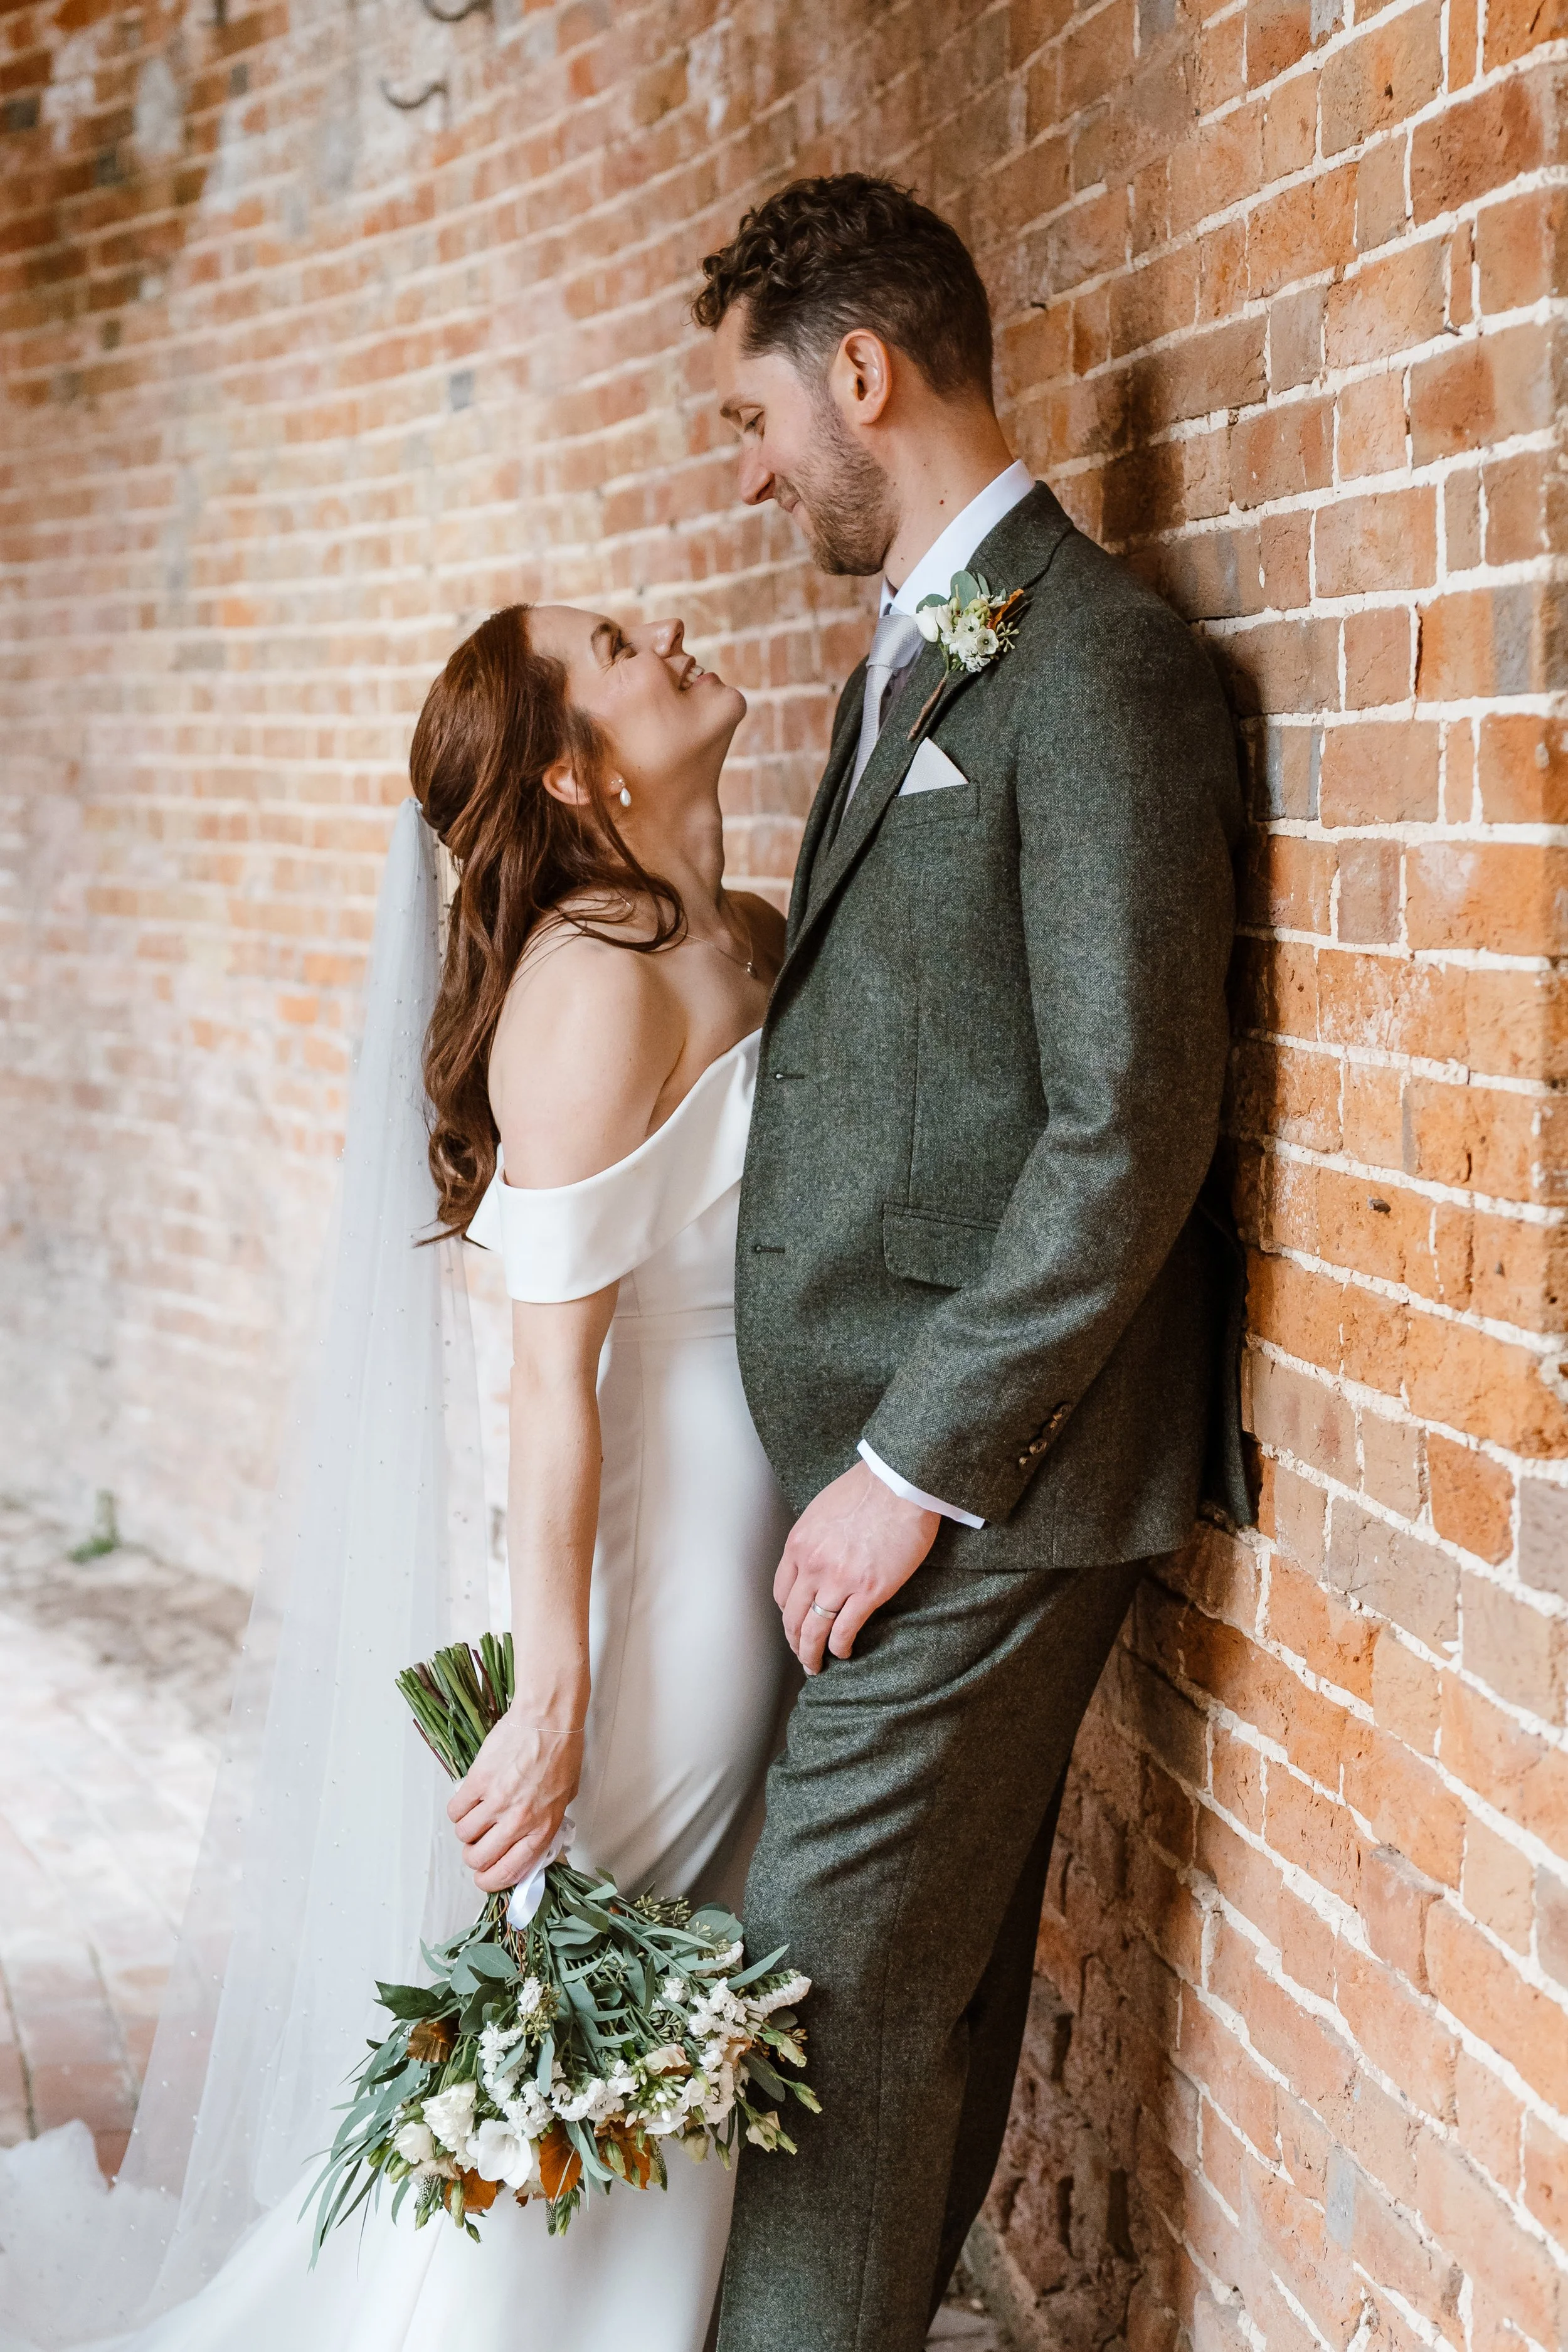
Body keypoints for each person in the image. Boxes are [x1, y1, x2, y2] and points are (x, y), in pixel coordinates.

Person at [0, 603, 797, 2350]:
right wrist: (558, 1685)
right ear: (580, 770)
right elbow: (542, 1377)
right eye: (611, 642)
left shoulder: (735, 930)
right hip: (668, 1576)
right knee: (590, 1968)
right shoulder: (589, 987)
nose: (661, 630)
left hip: (764, 1519)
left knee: (672, 1969)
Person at [691, 176, 1251, 2352]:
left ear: (860, 372)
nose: (743, 473)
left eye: (750, 420)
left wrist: (908, 1465)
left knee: (812, 2014)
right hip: (900, 1450)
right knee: (897, 2025)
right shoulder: (902, 658)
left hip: (990, 1476)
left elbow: (1129, 1123)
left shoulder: (1093, 663)